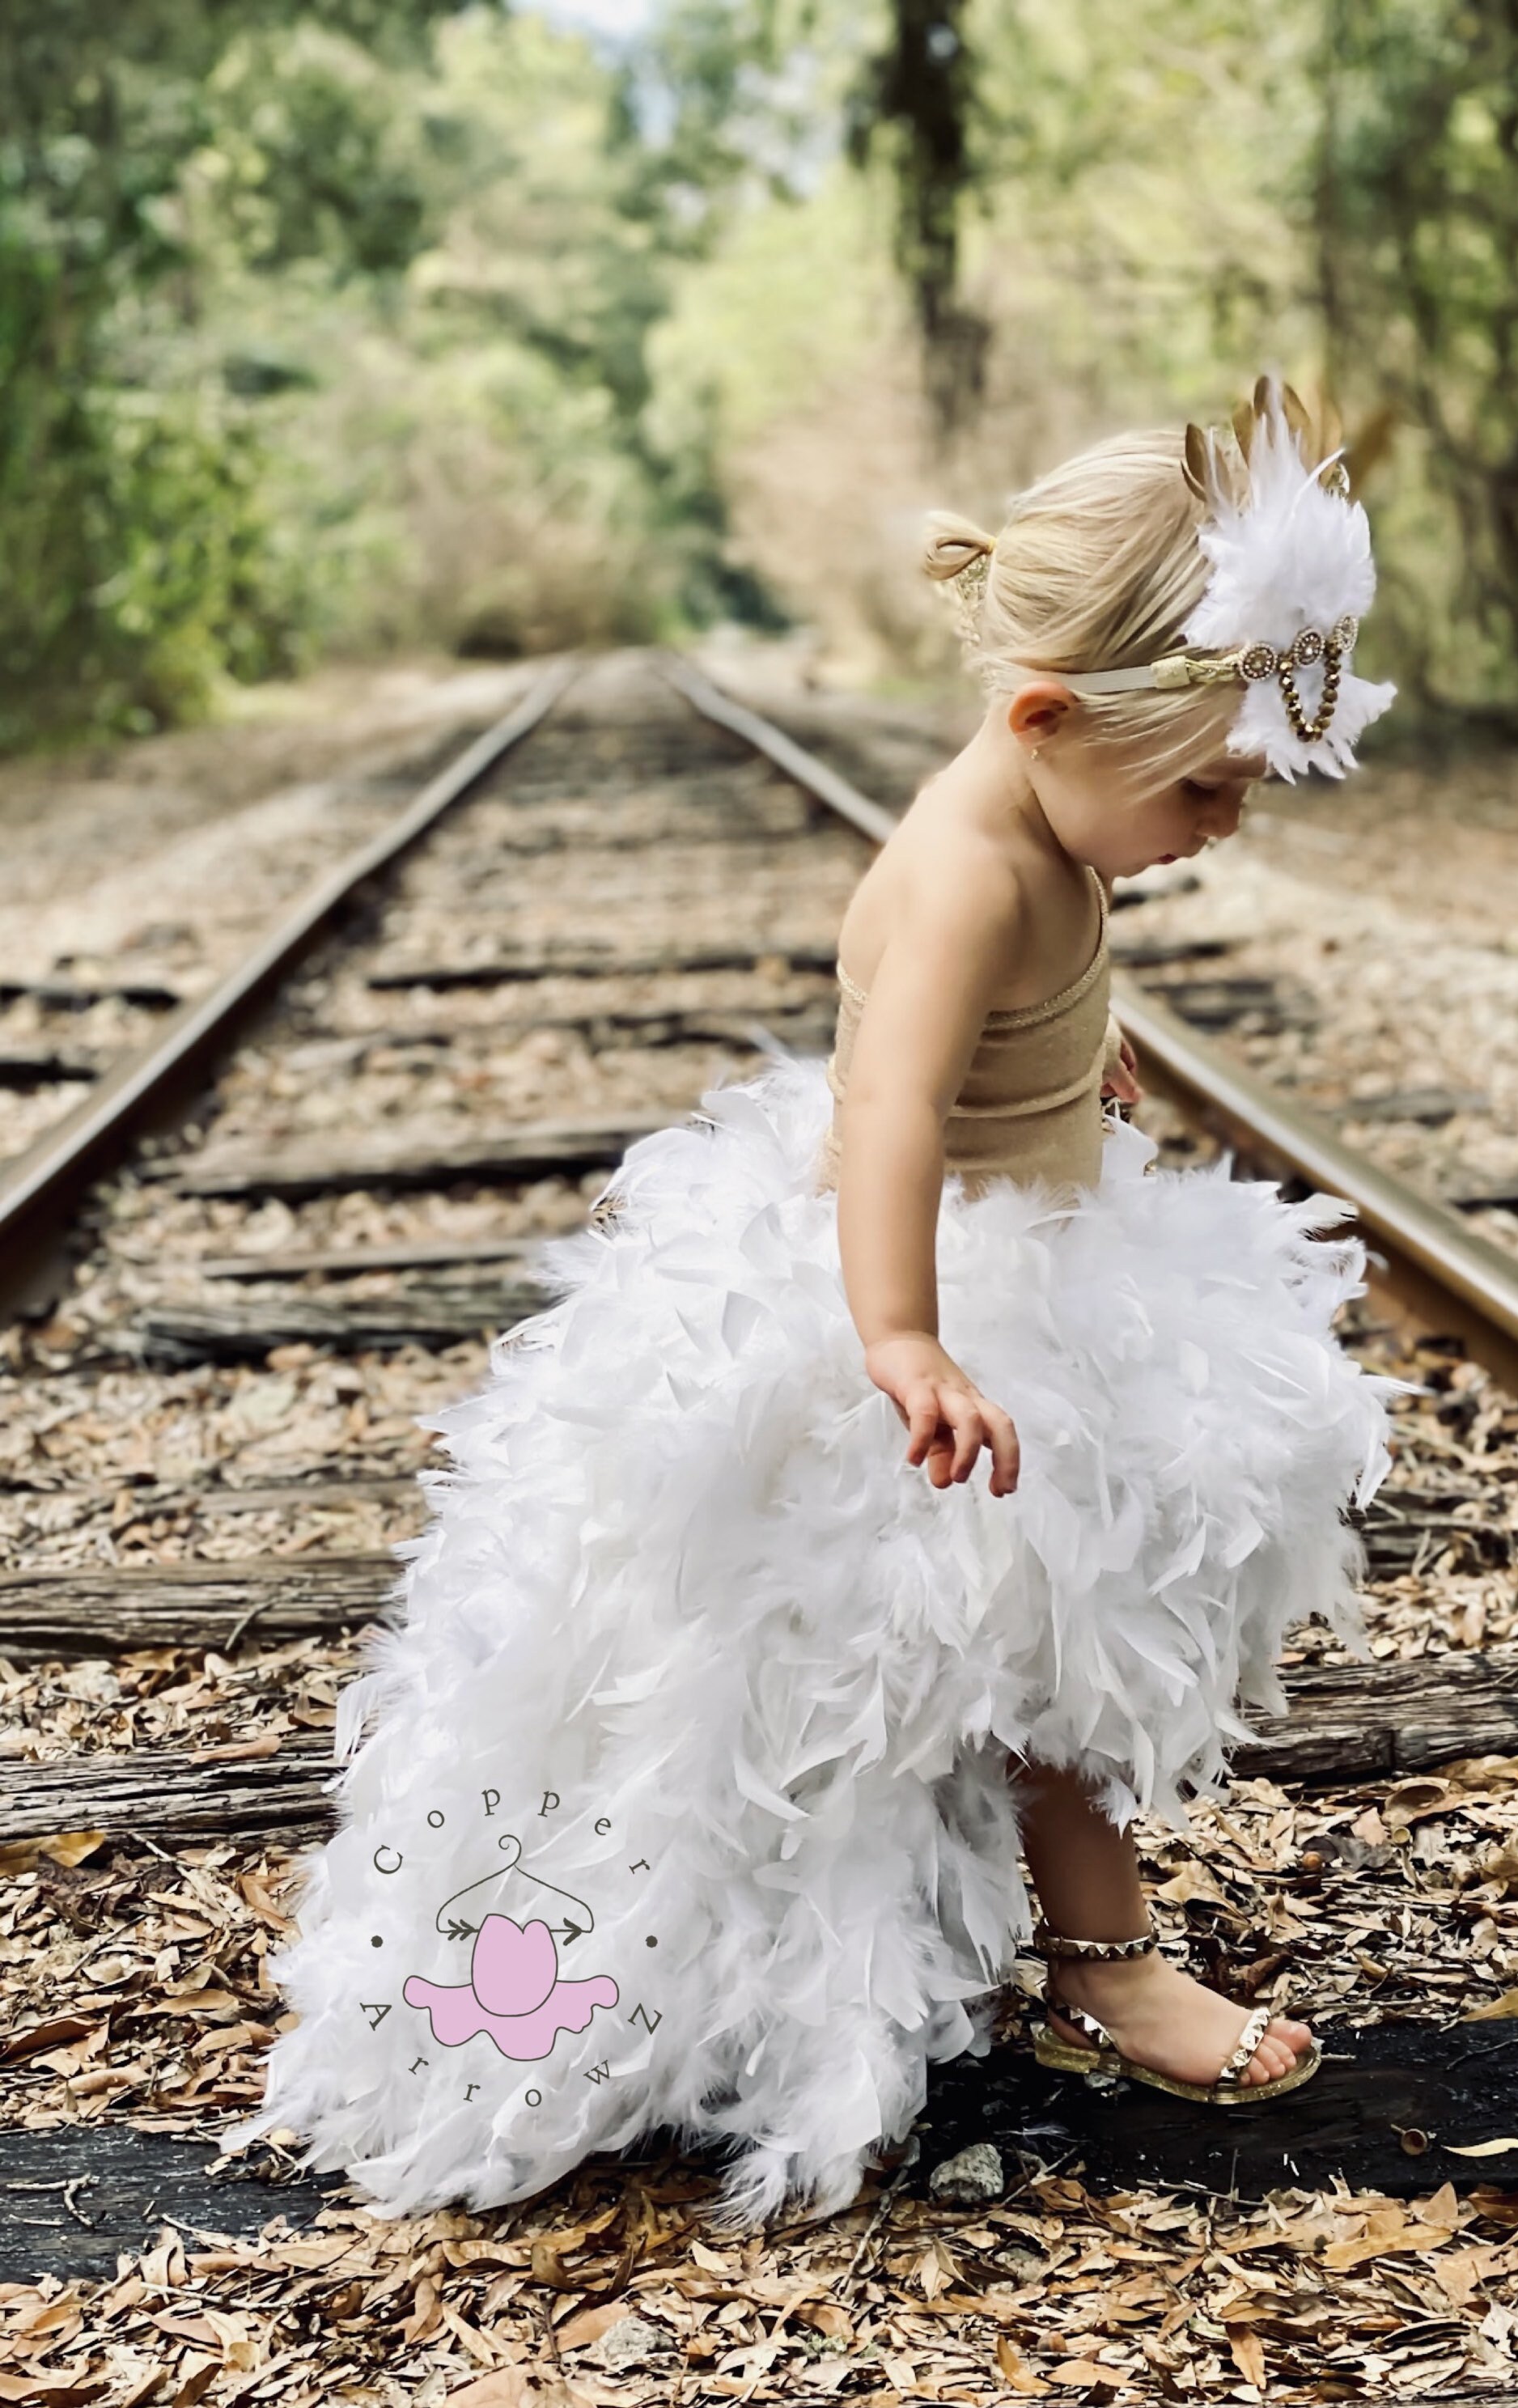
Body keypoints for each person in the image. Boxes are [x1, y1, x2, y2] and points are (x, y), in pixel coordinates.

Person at [239, 377, 1401, 2228]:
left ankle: (1024, 1959)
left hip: (1026, 1251)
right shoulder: (964, 878)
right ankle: (1095, 1969)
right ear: (1047, 717)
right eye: (1203, 788)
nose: (1224, 825)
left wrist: (1076, 1070)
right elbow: (890, 1113)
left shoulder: (1047, 826)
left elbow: (999, 1048)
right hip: (932, 1288)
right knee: (1004, 1629)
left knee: (1026, 1640)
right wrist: (904, 1336)